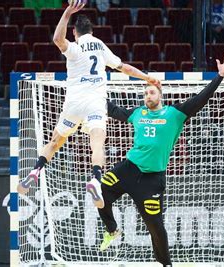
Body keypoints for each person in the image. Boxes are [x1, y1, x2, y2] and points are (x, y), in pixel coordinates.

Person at [17, 2, 161, 209]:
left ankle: (35, 170)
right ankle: (95, 179)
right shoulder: (100, 45)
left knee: (56, 141)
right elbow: (124, 68)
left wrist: (67, 12)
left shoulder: (74, 47)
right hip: (95, 102)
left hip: (74, 103)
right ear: (92, 31)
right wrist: (147, 78)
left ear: (74, 32)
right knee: (97, 142)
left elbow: (57, 39)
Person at [97, 54, 224, 267]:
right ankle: (112, 230)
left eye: (151, 92)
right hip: (129, 169)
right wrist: (92, 91)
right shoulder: (138, 112)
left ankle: (166, 264)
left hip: (152, 179)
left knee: (155, 227)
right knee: (99, 192)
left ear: (160, 95)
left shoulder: (175, 113)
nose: (147, 95)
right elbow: (113, 109)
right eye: (145, 93)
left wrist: (220, 76)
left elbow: (201, 99)